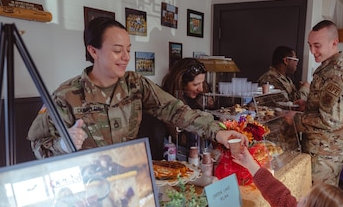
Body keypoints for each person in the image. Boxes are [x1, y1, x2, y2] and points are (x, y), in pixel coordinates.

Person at [27, 17, 247, 159]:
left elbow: (175, 110)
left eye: (128, 50)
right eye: (117, 50)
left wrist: (217, 132)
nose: (125, 57)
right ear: (94, 51)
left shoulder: (136, 84)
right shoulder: (65, 96)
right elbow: (38, 145)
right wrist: (63, 144)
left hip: (131, 177)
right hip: (87, 188)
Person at [284, 20, 343, 186]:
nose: (312, 51)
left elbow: (330, 120)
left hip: (324, 155)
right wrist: (308, 105)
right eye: (310, 45)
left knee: (319, 206)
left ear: (334, 43)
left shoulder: (335, 73)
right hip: (326, 151)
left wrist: (296, 119)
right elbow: (332, 110)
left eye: (317, 45)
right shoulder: (334, 67)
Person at [139, 58, 212, 159]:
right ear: (181, 82)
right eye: (196, 84)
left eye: (202, 83)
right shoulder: (162, 105)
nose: (201, 89)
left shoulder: (200, 99)